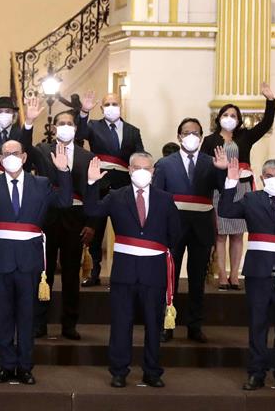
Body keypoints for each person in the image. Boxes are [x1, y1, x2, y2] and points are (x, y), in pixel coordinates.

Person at [0, 139, 71, 385]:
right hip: (0, 261)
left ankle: (25, 367)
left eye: (15, 152)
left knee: (28, 317)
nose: (10, 156)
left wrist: (63, 171)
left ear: (24, 157)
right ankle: (7, 365)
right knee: (3, 316)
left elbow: (65, 202)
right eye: (5, 153)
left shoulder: (40, 184)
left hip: (30, 261)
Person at [84, 152, 180, 388]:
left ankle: (152, 371)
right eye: (137, 167)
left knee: (154, 324)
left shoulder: (165, 199)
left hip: (154, 270)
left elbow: (175, 234)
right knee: (121, 323)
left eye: (147, 168)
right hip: (124, 271)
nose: (142, 172)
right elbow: (92, 211)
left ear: (153, 172)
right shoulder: (116, 196)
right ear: (129, 170)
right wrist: (91, 183)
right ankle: (119, 371)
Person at [218, 155, 275, 394]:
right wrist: (230, 182)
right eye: (268, 176)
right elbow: (226, 210)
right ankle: (256, 373)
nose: (273, 179)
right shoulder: (251, 199)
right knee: (257, 325)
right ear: (261, 178)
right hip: (257, 273)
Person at [153, 118, 226, 343]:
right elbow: (157, 197)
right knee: (169, 278)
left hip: (202, 228)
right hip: (173, 228)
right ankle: (167, 324)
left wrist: (223, 170)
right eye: (186, 132)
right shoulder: (165, 164)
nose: (191, 136)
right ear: (179, 136)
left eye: (195, 132)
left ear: (201, 137)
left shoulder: (211, 162)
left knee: (197, 279)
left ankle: (195, 326)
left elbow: (223, 189)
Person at [27, 110, 99, 340]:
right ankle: (40, 323)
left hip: (75, 219)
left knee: (71, 275)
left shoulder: (87, 156)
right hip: (46, 218)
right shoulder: (42, 150)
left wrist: (92, 223)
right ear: (54, 127)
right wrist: (28, 122)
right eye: (61, 123)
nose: (66, 126)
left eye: (70, 123)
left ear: (76, 129)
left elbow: (93, 193)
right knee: (43, 274)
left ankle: (69, 324)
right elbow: (24, 149)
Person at [201, 83, 275, 291]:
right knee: (221, 234)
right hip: (220, 189)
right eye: (226, 114)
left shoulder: (245, 137)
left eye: (234, 115)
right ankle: (222, 274)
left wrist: (270, 100)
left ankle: (235, 274)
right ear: (219, 118)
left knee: (238, 233)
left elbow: (266, 123)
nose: (229, 118)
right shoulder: (210, 140)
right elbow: (204, 166)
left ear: (239, 119)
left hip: (243, 187)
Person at [75, 91, 145, 287]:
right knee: (95, 231)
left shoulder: (133, 130)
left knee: (125, 229)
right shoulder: (92, 126)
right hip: (99, 183)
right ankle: (94, 272)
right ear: (101, 108)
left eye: (115, 103)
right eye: (107, 104)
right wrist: (84, 112)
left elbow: (140, 154)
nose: (111, 107)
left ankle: (125, 273)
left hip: (123, 185)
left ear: (121, 106)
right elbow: (79, 135)